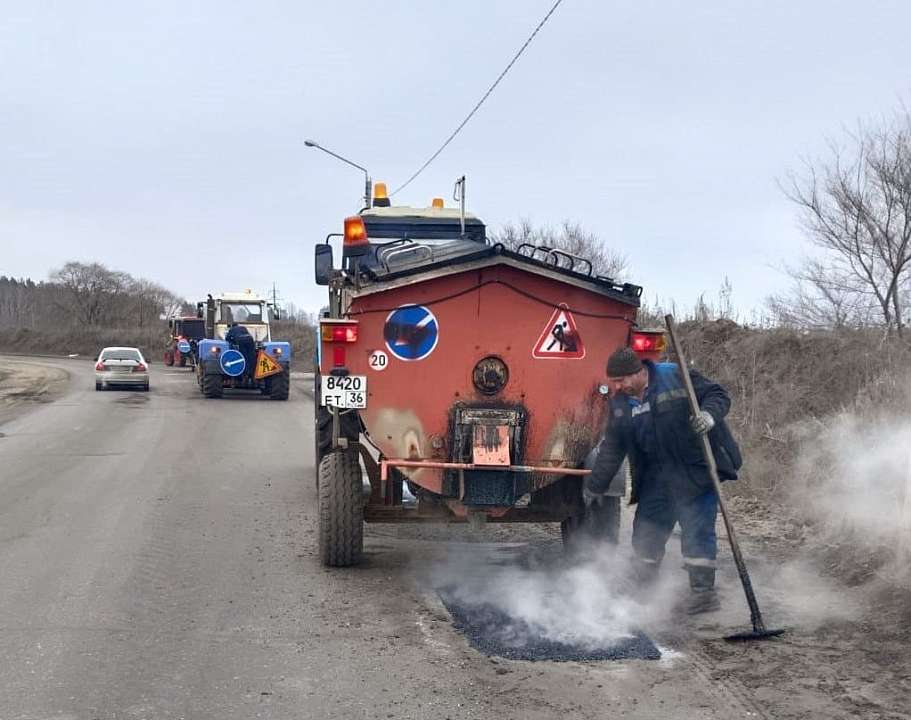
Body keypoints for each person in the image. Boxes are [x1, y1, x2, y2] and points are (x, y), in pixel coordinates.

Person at [585, 347, 742, 614]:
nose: (618, 387)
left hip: (696, 469)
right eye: (614, 382)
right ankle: (644, 588)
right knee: (646, 532)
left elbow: (718, 395)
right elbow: (613, 447)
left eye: (621, 380)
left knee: (697, 531)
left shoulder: (676, 376)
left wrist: (708, 416)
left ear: (638, 372)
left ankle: (703, 595)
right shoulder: (622, 403)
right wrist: (596, 485)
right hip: (656, 477)